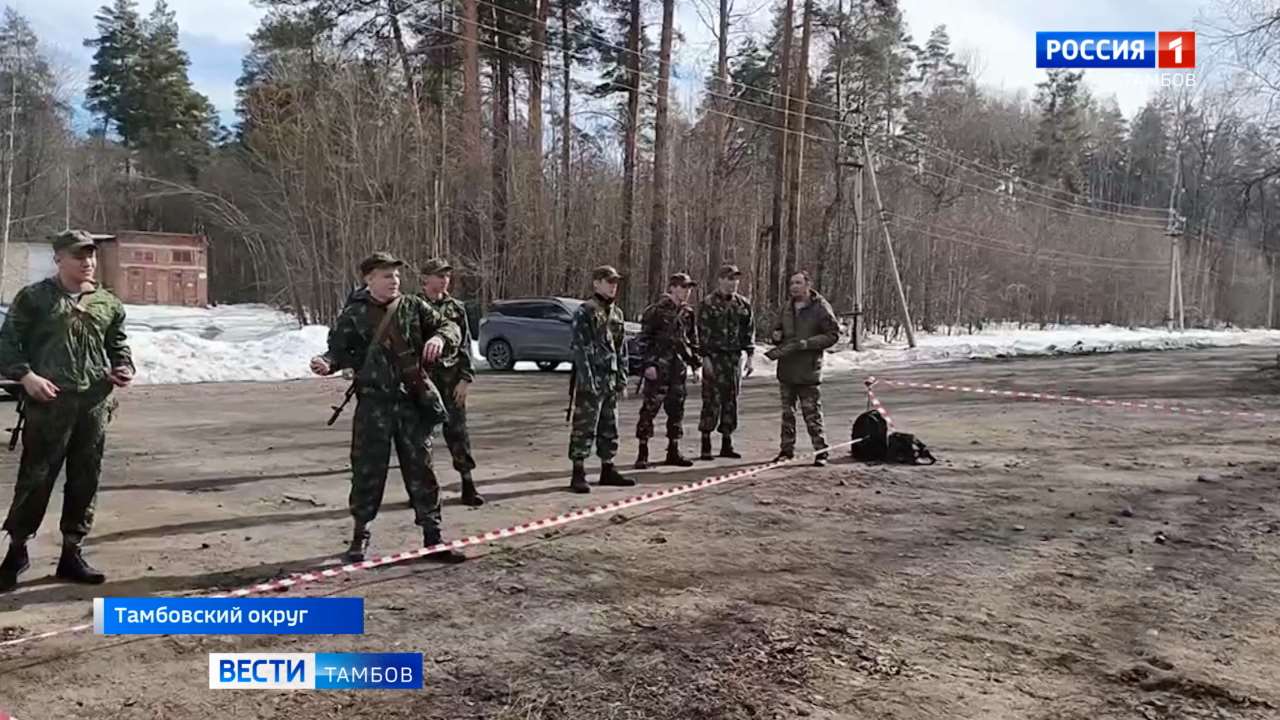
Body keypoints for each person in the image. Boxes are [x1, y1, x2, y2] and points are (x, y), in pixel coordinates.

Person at [310, 251, 466, 564]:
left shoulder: (412, 306)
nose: (394, 280)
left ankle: (433, 537)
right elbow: (338, 350)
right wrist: (326, 363)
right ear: (369, 279)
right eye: (386, 275)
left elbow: (451, 327)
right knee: (367, 470)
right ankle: (360, 535)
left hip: (412, 402)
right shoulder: (354, 314)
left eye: (396, 275)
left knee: (422, 470)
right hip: (374, 404)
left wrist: (439, 338)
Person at [0, 230, 134, 592]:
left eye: (91, 255)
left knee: (85, 478)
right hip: (49, 404)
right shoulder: (35, 298)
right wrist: (26, 377)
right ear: (58, 258)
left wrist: (123, 367)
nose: (87, 262)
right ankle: (16, 551)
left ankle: (72, 553)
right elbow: (6, 343)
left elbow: (118, 344)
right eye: (78, 255)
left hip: (93, 405)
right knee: (36, 478)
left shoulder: (107, 302)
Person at [419, 258, 484, 507]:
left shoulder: (456, 308)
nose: (445, 280)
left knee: (458, 433)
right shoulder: (413, 307)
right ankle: (423, 489)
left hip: (451, 380)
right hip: (423, 381)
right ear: (425, 278)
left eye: (447, 275)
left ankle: (467, 483)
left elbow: (465, 345)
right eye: (439, 275)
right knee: (420, 438)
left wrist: (465, 379)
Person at [567, 265, 634, 493]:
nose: (613, 286)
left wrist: (622, 379)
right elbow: (580, 348)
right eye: (608, 281)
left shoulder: (617, 314)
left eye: (615, 282)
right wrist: (587, 380)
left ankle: (608, 468)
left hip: (610, 379)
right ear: (596, 283)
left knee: (609, 426)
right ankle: (578, 471)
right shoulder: (585, 311)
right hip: (592, 379)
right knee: (584, 426)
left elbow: (621, 350)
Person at [765, 271, 839, 467]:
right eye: (792, 283)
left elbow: (833, 335)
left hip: (808, 369)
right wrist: (776, 336)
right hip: (787, 368)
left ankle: (821, 451)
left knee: (812, 414)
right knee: (787, 414)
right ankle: (786, 450)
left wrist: (808, 343)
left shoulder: (820, 307)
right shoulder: (786, 307)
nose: (794, 287)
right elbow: (776, 330)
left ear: (808, 285)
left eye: (798, 283)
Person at [634, 273, 701, 469]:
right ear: (672, 287)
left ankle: (673, 450)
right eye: (683, 287)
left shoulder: (688, 313)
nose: (687, 291)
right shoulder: (655, 311)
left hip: (678, 370)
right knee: (649, 410)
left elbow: (692, 340)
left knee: (676, 410)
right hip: (658, 368)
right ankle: (642, 452)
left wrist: (695, 365)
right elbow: (643, 340)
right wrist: (648, 365)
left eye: (689, 288)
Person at [696, 264, 755, 461]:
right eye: (729, 279)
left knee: (731, 400)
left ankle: (726, 442)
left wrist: (750, 357)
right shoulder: (708, 303)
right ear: (720, 280)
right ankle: (706, 442)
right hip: (714, 357)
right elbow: (702, 333)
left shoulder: (743, 304)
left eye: (735, 279)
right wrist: (704, 358)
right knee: (711, 400)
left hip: (734, 359)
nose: (733, 283)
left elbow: (748, 332)